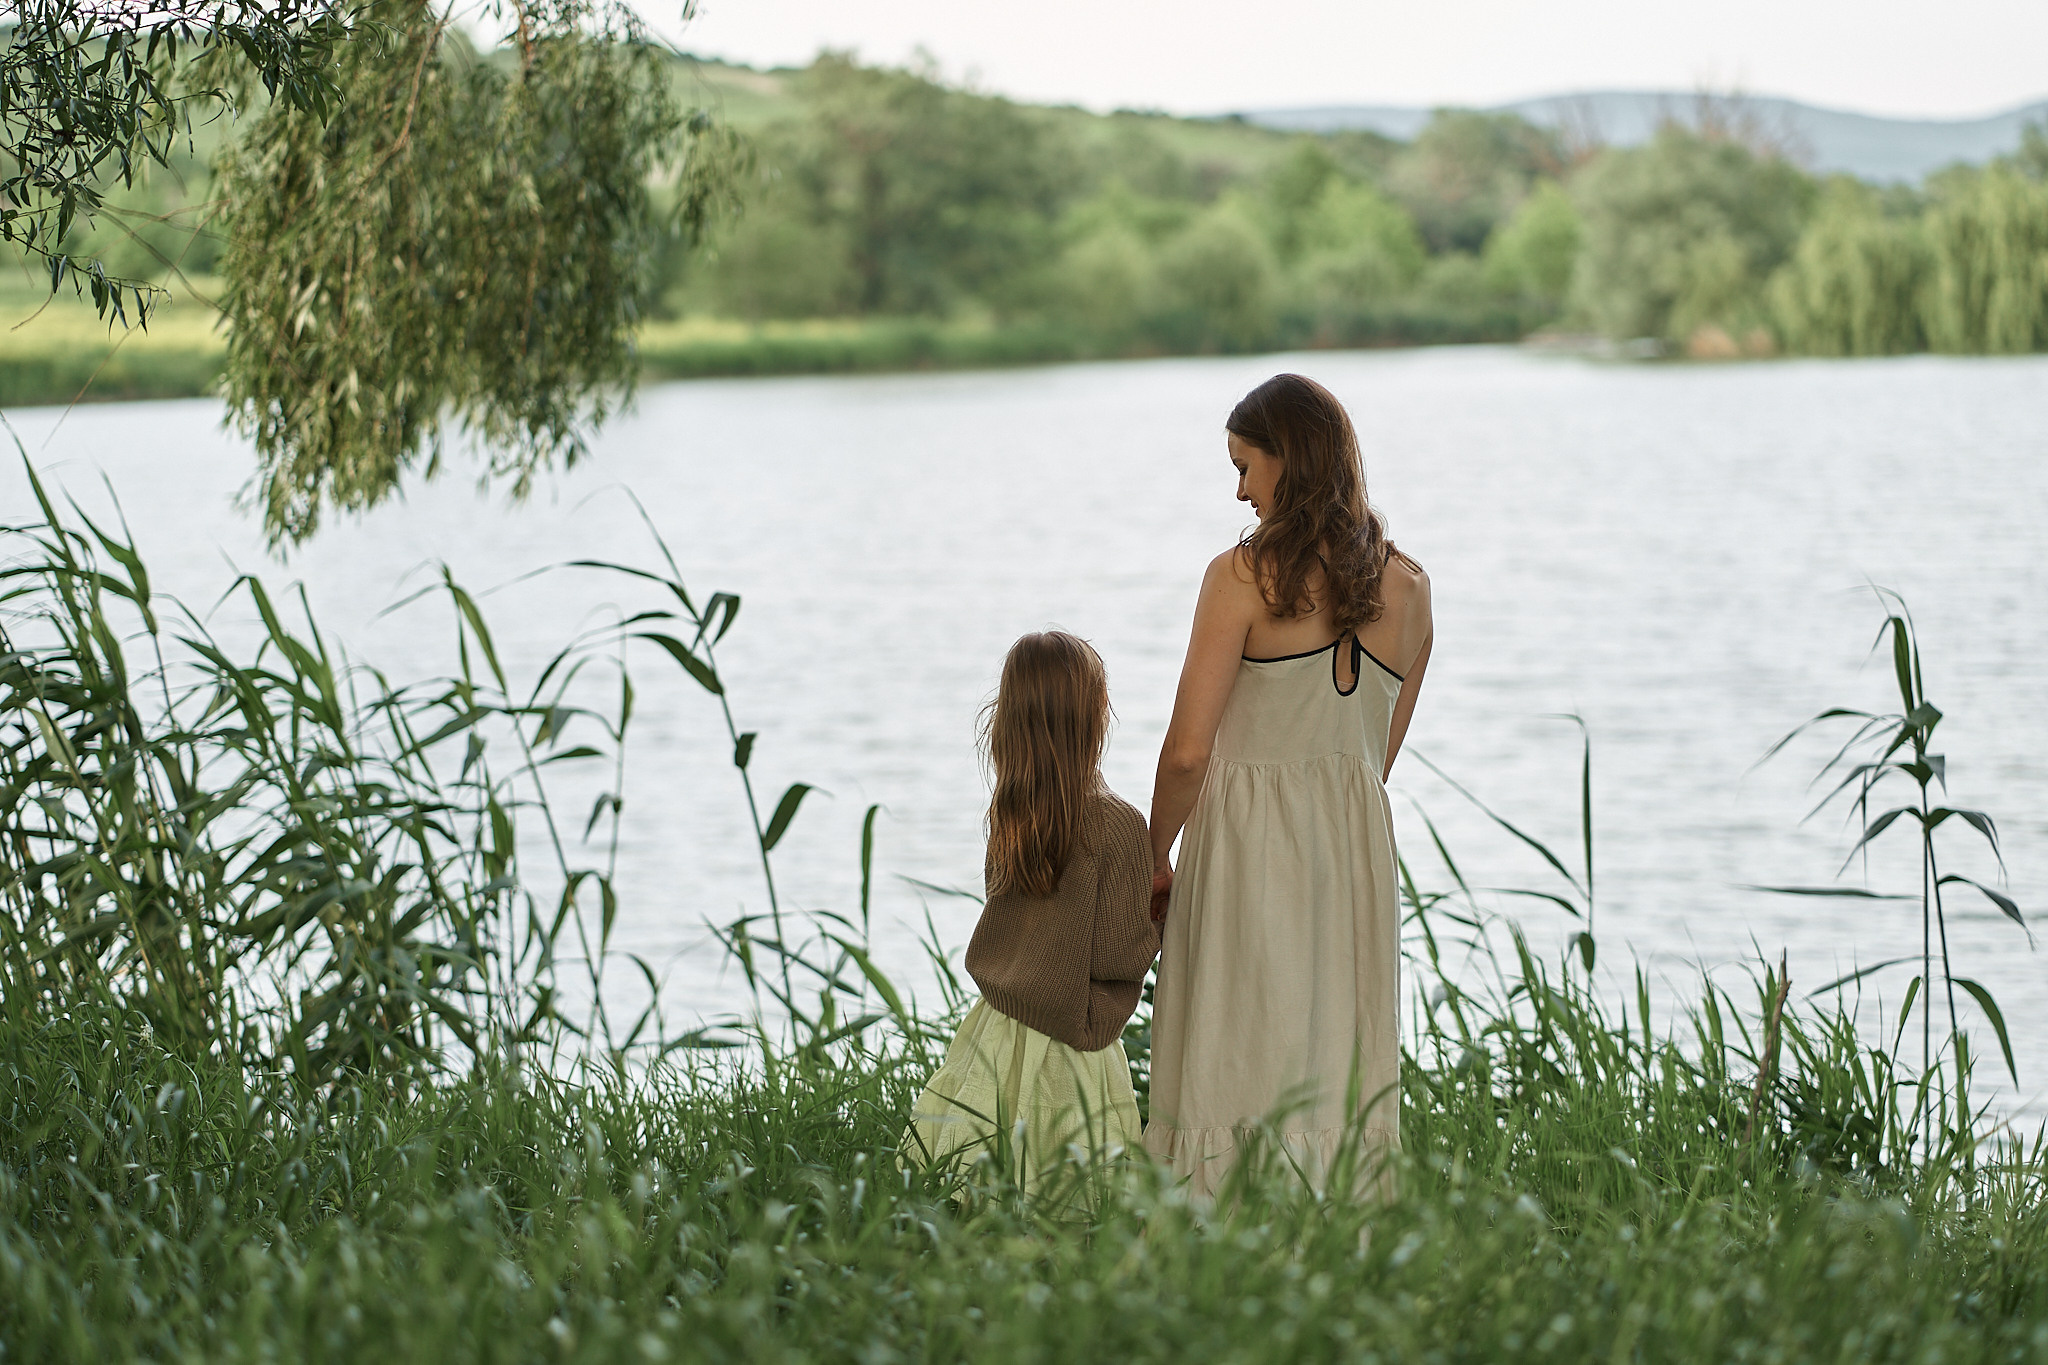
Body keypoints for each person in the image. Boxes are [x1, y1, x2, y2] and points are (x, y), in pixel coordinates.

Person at [1141, 373, 1432, 1200]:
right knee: (1328, 1044)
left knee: (1235, 1041)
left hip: (1245, 838)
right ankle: (1334, 1227)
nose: (1239, 488)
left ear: (1288, 459)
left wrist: (1153, 851)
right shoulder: (1412, 591)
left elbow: (1189, 752)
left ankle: (1218, 1231)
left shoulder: (1239, 577)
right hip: (1349, 852)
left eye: (1245, 464)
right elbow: (1373, 760)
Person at [902, 631, 1160, 1194]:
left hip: (996, 1029)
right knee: (1073, 1189)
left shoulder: (1012, 814)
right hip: (1075, 1045)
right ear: (1094, 720)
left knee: (980, 1175)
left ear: (1008, 721)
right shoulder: (1117, 826)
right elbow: (1120, 953)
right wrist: (1161, 911)